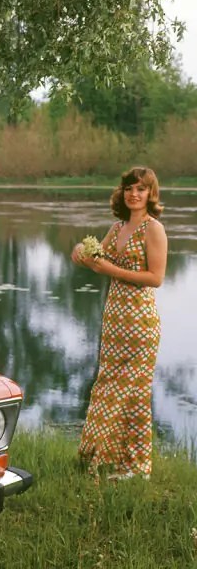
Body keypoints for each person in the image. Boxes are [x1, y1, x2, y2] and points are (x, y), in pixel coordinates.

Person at [71, 166, 168, 480]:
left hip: (140, 323)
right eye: (129, 188)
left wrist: (109, 270)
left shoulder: (153, 229)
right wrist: (80, 253)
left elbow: (156, 278)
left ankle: (117, 463)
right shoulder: (117, 228)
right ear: (122, 192)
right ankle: (118, 462)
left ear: (150, 194)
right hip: (114, 321)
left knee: (127, 392)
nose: (134, 194)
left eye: (141, 189)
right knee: (118, 391)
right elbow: (97, 257)